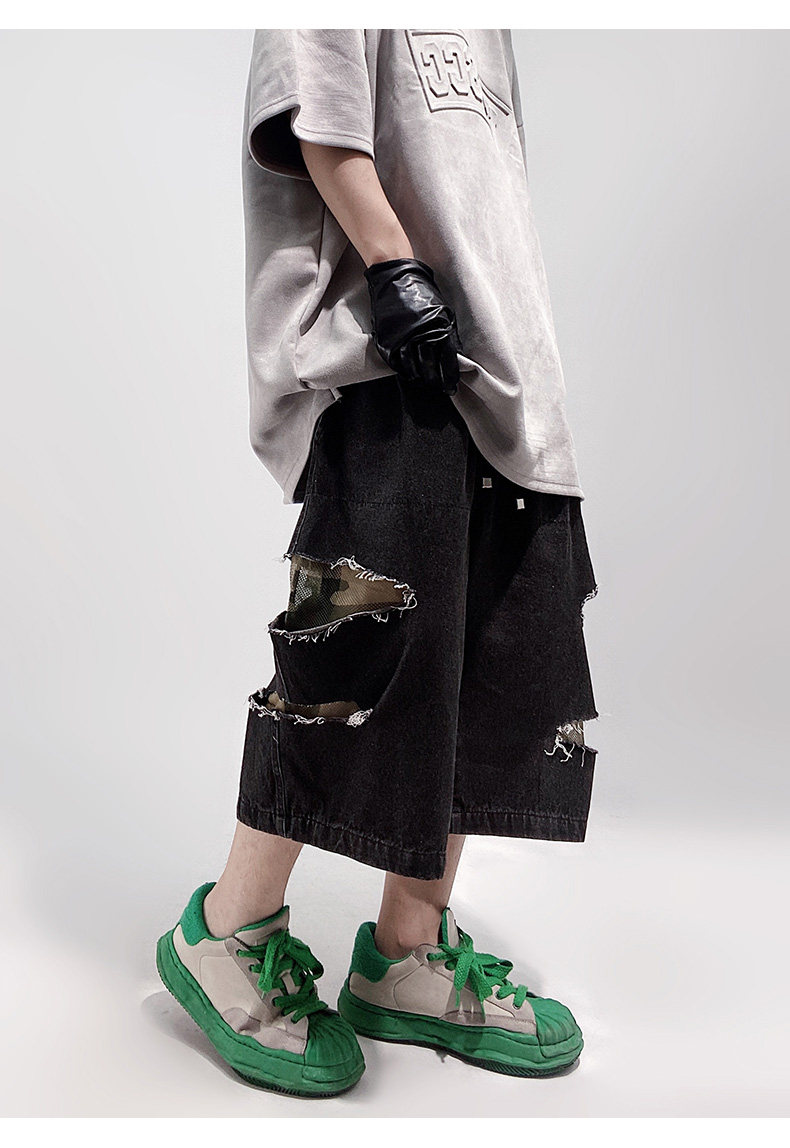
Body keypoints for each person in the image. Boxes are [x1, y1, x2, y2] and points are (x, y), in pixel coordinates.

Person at [156, 28, 599, 1098]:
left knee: (496, 668)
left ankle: (409, 951)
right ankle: (227, 931)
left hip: (509, 385)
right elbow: (319, 119)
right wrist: (396, 271)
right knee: (349, 661)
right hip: (390, 358)